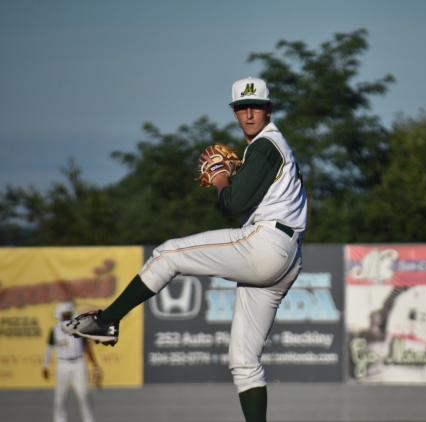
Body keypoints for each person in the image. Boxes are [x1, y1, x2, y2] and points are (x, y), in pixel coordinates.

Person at [63, 77, 308, 422]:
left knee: (168, 254)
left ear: (269, 109)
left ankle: (107, 321)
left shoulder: (267, 145)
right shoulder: (273, 149)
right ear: (236, 113)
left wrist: (222, 177)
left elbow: (233, 204)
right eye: (242, 107)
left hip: (267, 244)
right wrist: (237, 176)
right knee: (243, 361)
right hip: (288, 256)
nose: (249, 113)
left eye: (256, 106)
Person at [43, 301, 100, 422]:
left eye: (68, 314)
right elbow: (49, 349)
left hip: (79, 363)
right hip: (63, 364)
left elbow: (87, 347)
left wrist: (94, 364)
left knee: (84, 395)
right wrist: (45, 365)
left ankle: (89, 419)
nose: (66, 316)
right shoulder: (54, 331)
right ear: (59, 315)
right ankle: (59, 420)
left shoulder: (79, 327)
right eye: (64, 314)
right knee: (60, 396)